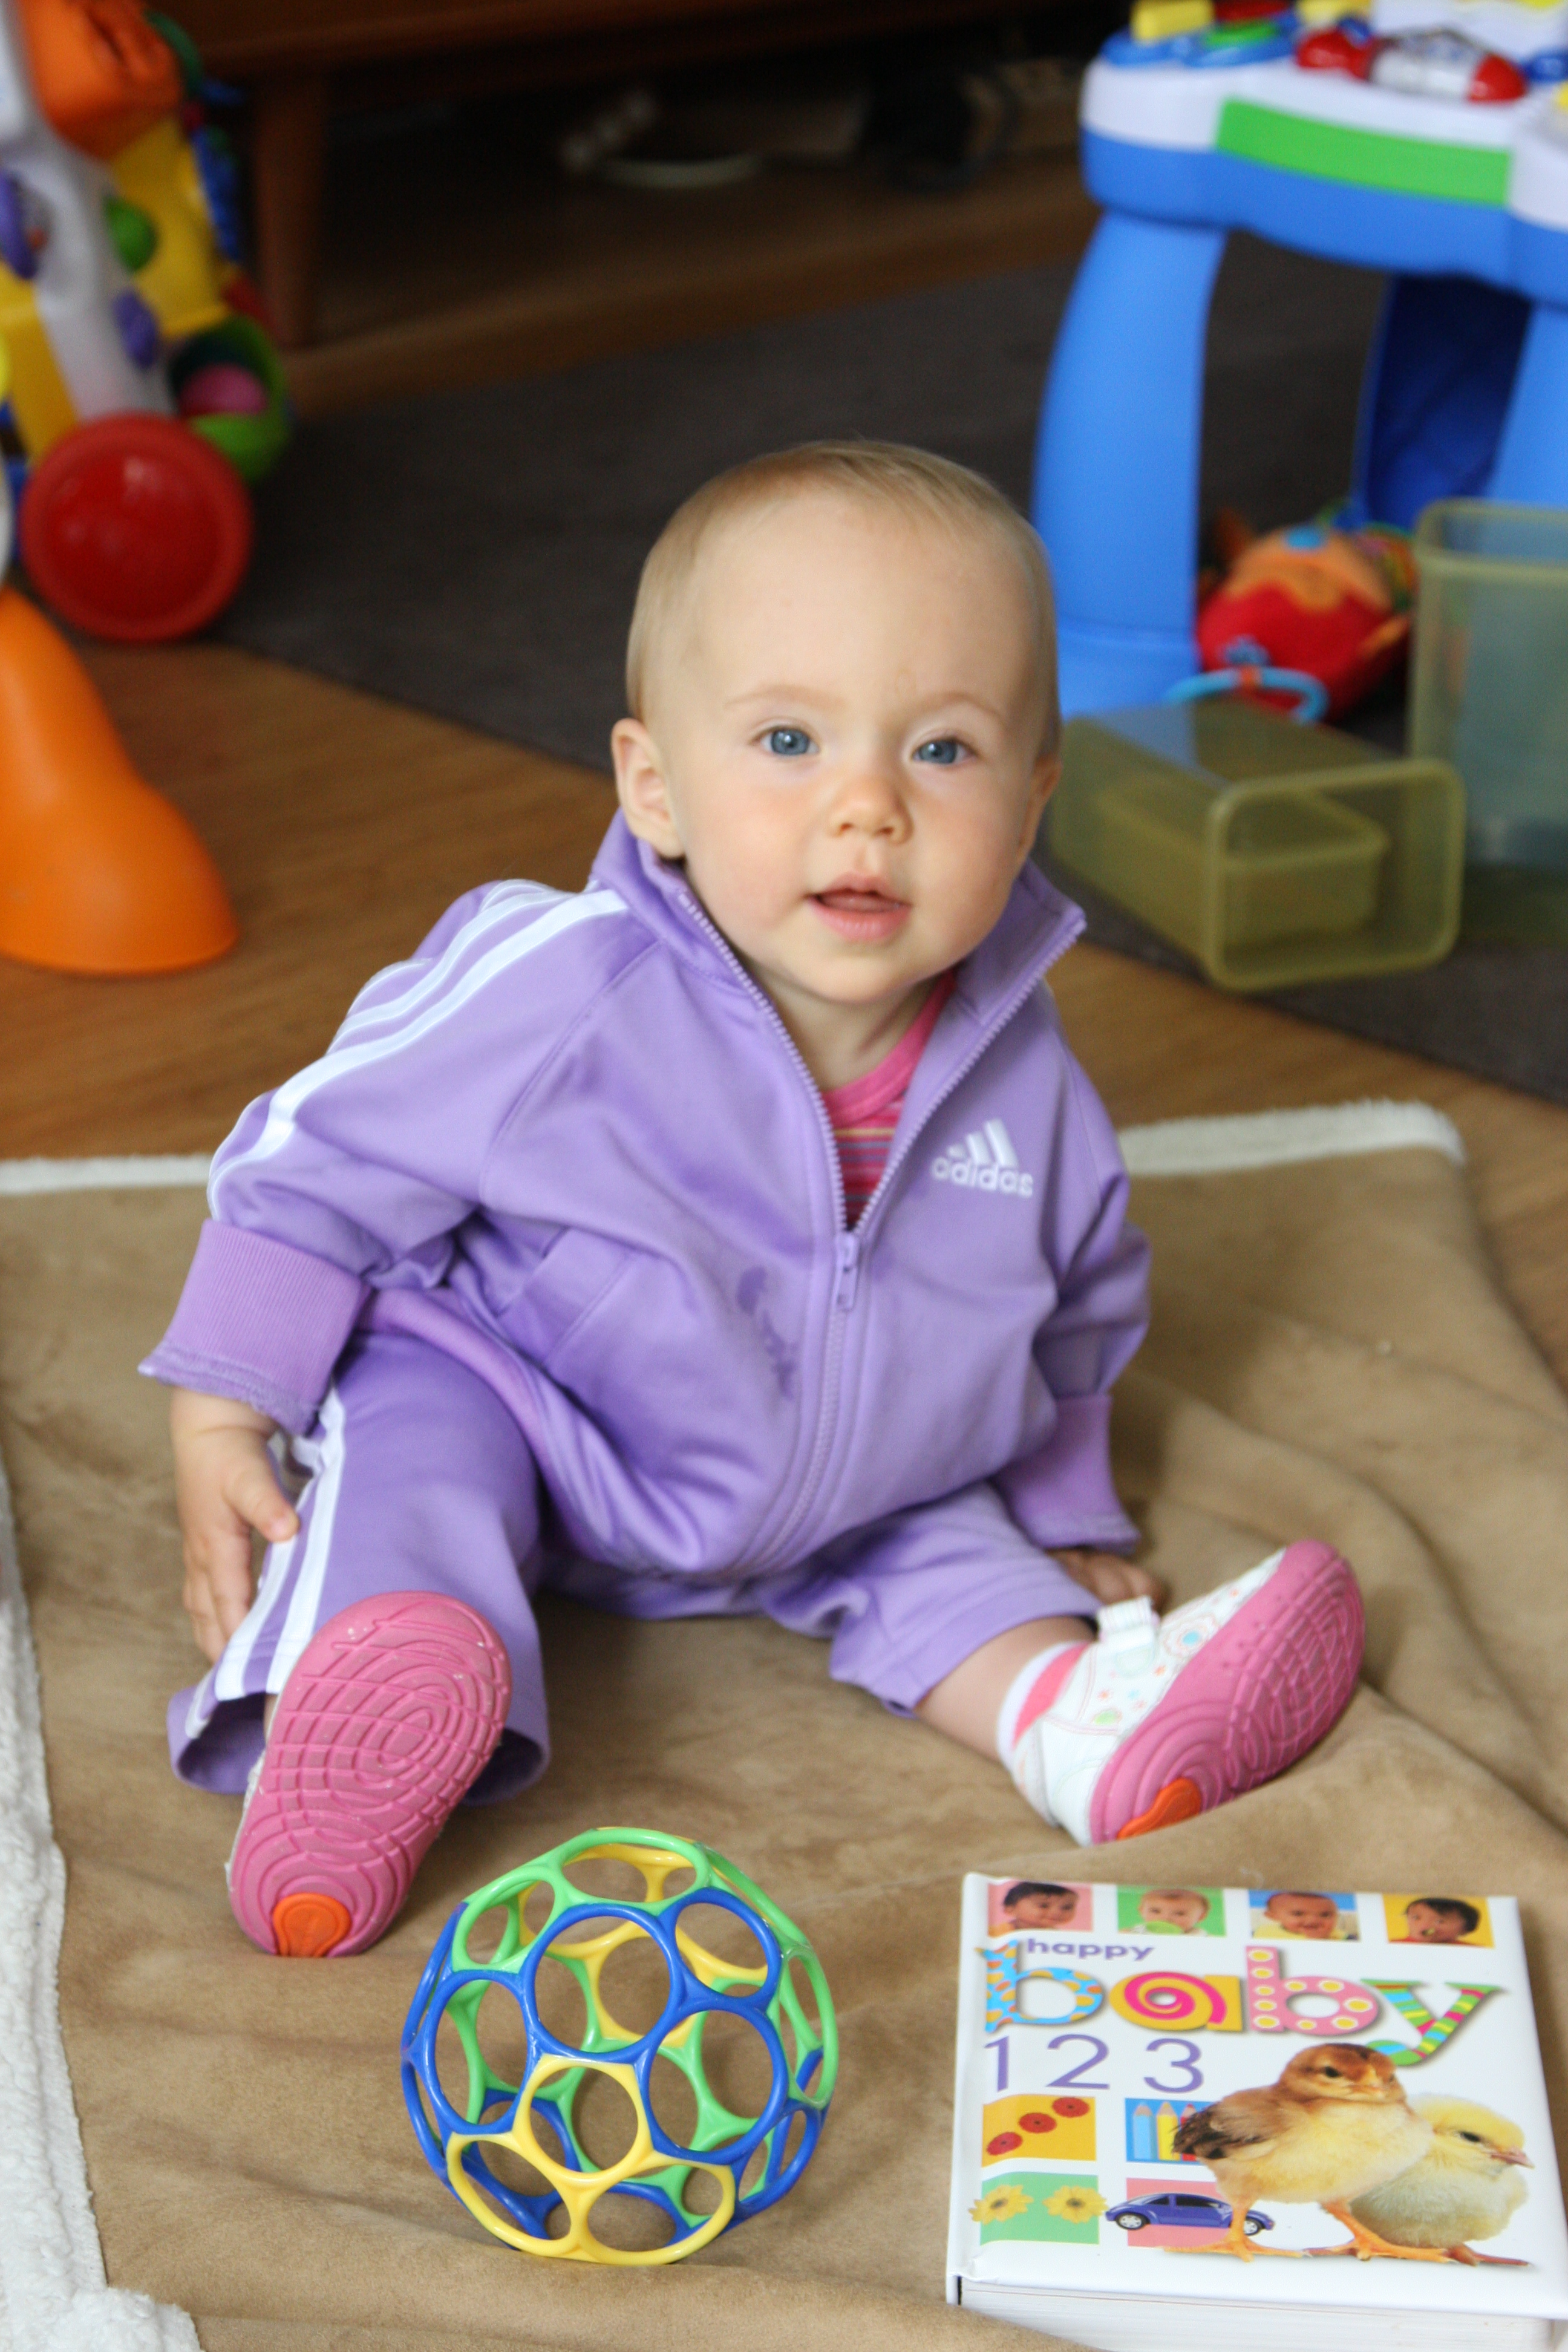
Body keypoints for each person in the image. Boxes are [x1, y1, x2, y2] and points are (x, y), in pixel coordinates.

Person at [143, 442, 1365, 1959]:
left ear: (1032, 801)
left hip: (850, 1479)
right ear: (654, 786)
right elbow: (317, 1158)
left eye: (944, 751)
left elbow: (1079, 1302)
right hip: (536, 1409)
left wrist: (1063, 1509)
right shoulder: (560, 987)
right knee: (417, 1462)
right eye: (790, 739)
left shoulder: (1027, 1078)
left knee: (952, 1538)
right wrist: (222, 1409)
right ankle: (358, 1720)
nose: (868, 808)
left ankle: (1082, 1724)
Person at [1258, 1890, 1345, 1941]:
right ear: (1273, 1916)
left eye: (1325, 1915)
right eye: (1298, 1914)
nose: (1313, 1921)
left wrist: (1323, 1939)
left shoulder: (1338, 1936)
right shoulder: (1265, 1933)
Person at [1001, 1881, 1082, 1930]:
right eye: (1044, 1906)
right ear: (1010, 1908)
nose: (1057, 1912)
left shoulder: (1057, 1936)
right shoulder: (1000, 1933)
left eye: (1067, 1907)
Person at [1398, 1898, 1482, 1944]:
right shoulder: (1397, 1945)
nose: (1424, 1925)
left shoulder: (1470, 1951)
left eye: (1440, 1921)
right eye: (1416, 1918)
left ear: (1464, 1929)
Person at [1137, 1889, 1212, 1936]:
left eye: (1179, 1914)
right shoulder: (1137, 1933)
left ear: (1201, 1917)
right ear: (1142, 1911)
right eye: (1155, 1911)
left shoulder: (1199, 1937)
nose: (1165, 1919)